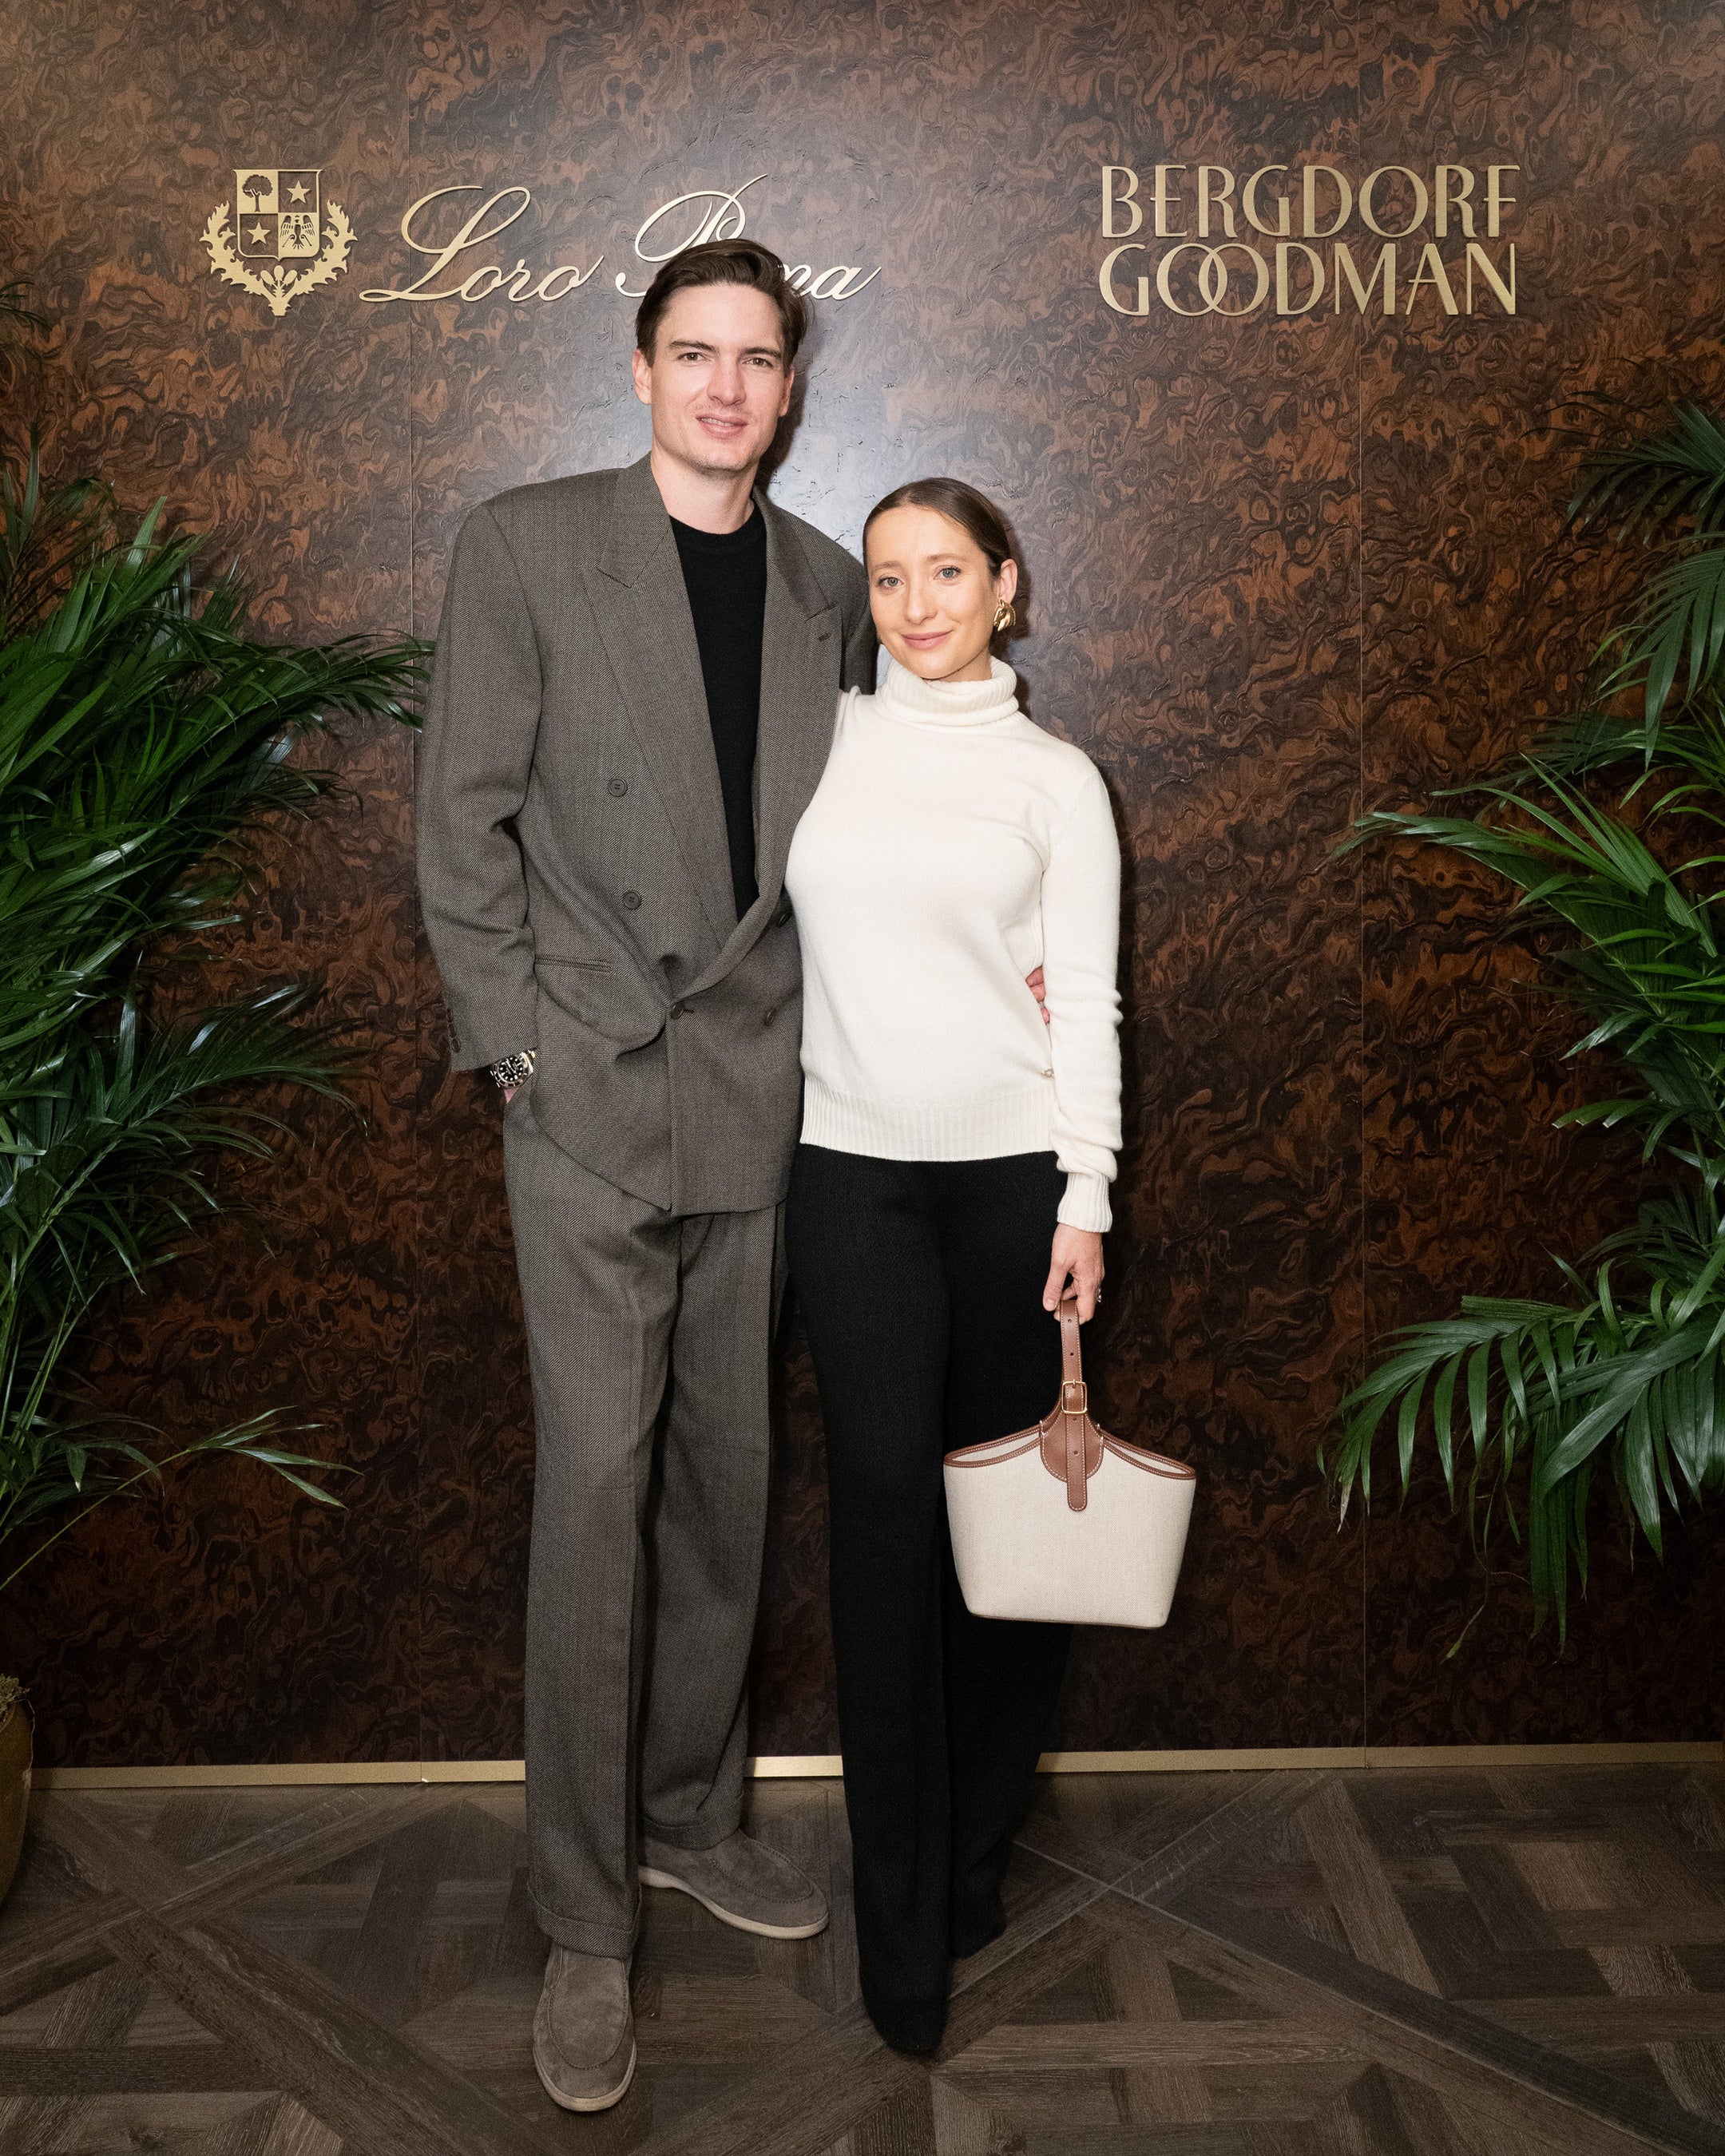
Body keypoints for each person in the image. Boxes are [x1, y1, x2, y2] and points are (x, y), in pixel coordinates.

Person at [415, 237, 877, 2114]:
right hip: (592, 1091)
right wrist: (517, 1049)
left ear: (790, 387)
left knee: (726, 1482)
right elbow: (463, 823)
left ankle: (689, 1814)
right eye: (696, 352)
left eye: (757, 358)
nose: (726, 386)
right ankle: (586, 1915)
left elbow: (854, 850)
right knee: (597, 1491)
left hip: (760, 1089)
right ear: (641, 368)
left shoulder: (829, 583)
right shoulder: (526, 546)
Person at [783, 478, 1124, 2055]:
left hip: (1011, 1195)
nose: (916, 605)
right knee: (882, 1534)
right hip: (848, 1179)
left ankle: (974, 1850)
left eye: (946, 572)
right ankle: (900, 1912)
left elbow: (1086, 1003)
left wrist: (1085, 1197)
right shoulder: (826, 741)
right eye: (888, 578)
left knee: (1004, 1544)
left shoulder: (1056, 781)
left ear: (1006, 585)